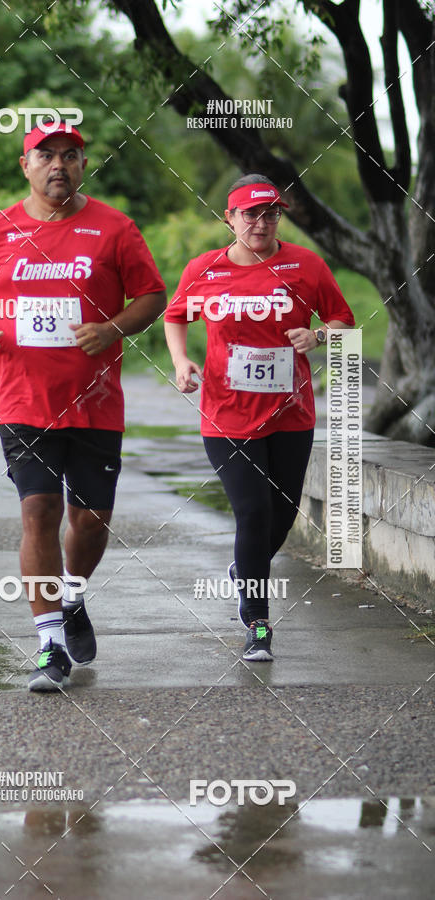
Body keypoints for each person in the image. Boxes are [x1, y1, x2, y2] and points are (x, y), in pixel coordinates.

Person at [0, 122, 166, 691]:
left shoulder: (114, 228)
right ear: (27, 166)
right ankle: (48, 645)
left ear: (83, 165)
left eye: (70, 155)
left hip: (95, 404)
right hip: (21, 399)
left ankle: (72, 595)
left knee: (90, 522)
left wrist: (112, 328)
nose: (59, 165)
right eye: (46, 156)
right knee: (38, 512)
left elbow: (152, 296)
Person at [164, 174, 355, 661]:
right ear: (229, 218)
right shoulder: (205, 269)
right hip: (226, 415)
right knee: (252, 512)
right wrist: (182, 361)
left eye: (270, 212)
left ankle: (245, 567)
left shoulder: (305, 265)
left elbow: (343, 322)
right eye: (250, 213)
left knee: (282, 513)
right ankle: (258, 622)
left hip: (291, 413)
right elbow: (175, 315)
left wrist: (318, 338)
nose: (261, 222)